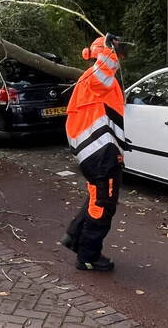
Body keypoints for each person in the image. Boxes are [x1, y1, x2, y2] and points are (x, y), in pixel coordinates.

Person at [60, 34, 128, 272]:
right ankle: (88, 256)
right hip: (100, 155)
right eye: (116, 56)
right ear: (104, 56)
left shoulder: (95, 79)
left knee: (95, 198)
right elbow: (104, 71)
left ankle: (74, 237)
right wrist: (109, 51)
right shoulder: (97, 78)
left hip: (97, 152)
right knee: (103, 205)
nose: (119, 60)